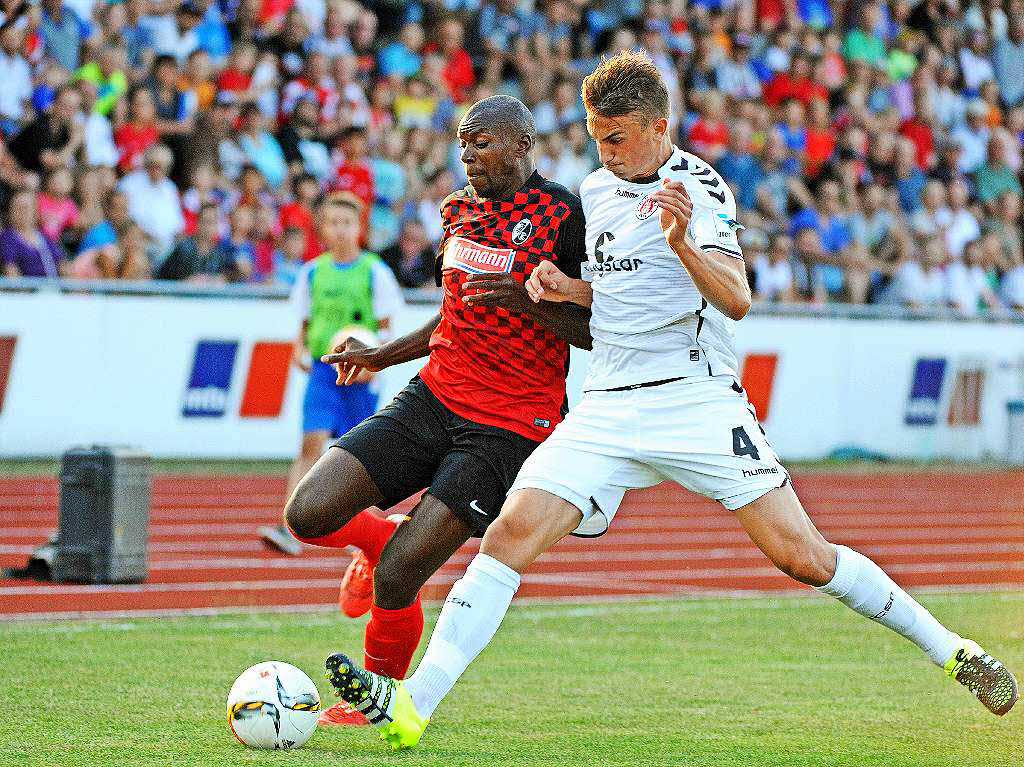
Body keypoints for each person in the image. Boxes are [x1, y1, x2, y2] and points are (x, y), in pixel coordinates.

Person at [322, 51, 1019, 751]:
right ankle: (414, 706)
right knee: (507, 534)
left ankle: (954, 650)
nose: (606, 152)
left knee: (803, 556)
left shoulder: (702, 188)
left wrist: (683, 243)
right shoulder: (595, 190)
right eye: (597, 137)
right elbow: (617, 290)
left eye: (618, 137)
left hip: (695, 402)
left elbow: (737, 299)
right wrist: (570, 291)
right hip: (606, 405)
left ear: (659, 127)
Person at [281, 95, 591, 727]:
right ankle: (383, 536)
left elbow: (595, 327)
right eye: (464, 143)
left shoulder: (564, 213)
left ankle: (372, 699)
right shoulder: (456, 210)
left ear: (522, 144)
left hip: (508, 425)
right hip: (436, 394)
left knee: (398, 579)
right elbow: (453, 314)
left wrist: (527, 302)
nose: (470, 154)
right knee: (306, 513)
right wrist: (380, 356)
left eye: (484, 142)